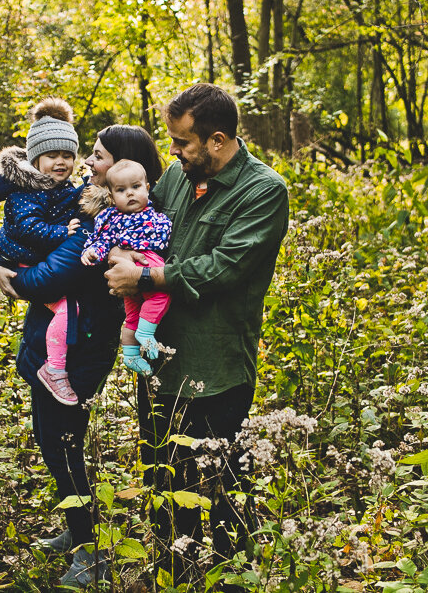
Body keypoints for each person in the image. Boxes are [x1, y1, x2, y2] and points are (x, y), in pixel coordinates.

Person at [104, 83, 289, 587]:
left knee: (222, 485)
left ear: (217, 140)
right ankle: (171, 574)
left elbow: (223, 268)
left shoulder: (263, 190)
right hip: (161, 358)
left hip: (217, 364)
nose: (174, 152)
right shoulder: (182, 178)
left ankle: (233, 576)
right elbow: (139, 218)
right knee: (162, 478)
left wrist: (146, 278)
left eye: (183, 143)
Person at [0, 122, 162, 588]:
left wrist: (11, 277)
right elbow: (19, 229)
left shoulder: (110, 216)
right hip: (48, 342)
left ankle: (91, 552)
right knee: (47, 439)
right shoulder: (82, 201)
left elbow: (48, 278)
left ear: (128, 168)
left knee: (64, 445)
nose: (88, 162)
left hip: (80, 347)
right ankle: (75, 530)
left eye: (98, 155)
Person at [0, 98, 83, 405]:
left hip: (33, 261)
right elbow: (26, 228)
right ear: (35, 160)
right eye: (52, 155)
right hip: (25, 262)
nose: (61, 162)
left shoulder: (59, 188)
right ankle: (54, 369)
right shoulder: (26, 191)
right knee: (67, 309)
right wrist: (62, 233)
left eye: (68, 155)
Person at [82, 159, 172, 377]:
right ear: (112, 197)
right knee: (159, 297)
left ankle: (132, 353)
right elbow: (101, 240)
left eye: (136, 187)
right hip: (137, 264)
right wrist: (93, 253)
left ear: (147, 188)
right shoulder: (110, 219)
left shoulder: (154, 214)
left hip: (141, 262)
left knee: (135, 312)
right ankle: (142, 337)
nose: (130, 194)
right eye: (121, 190)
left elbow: (166, 237)